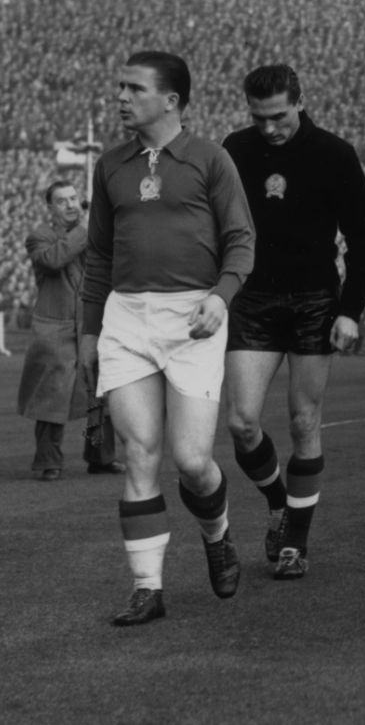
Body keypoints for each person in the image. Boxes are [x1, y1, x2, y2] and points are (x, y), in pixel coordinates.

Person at [79, 51, 256, 627]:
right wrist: (88, 331)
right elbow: (100, 257)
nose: (121, 97)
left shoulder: (211, 159)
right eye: (120, 86)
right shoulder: (110, 167)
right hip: (126, 318)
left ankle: (218, 533)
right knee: (138, 455)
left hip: (193, 315)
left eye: (134, 88)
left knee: (193, 461)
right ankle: (146, 587)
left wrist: (219, 297)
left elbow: (241, 242)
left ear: (172, 100)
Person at [220, 64, 365, 580]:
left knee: (303, 420)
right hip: (254, 298)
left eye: (279, 116)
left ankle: (296, 544)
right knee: (243, 423)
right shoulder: (235, 149)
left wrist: (351, 310)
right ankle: (277, 503)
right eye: (258, 117)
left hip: (314, 300)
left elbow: (362, 239)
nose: (268, 128)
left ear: (300, 102)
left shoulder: (334, 153)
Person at [17, 180, 123, 481]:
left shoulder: (94, 235)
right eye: (62, 201)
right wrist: (87, 230)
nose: (71, 205)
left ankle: (101, 458)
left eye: (74, 198)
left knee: (99, 395)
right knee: (52, 398)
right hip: (56, 327)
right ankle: (49, 461)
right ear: (50, 208)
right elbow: (53, 260)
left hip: (90, 324)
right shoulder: (40, 236)